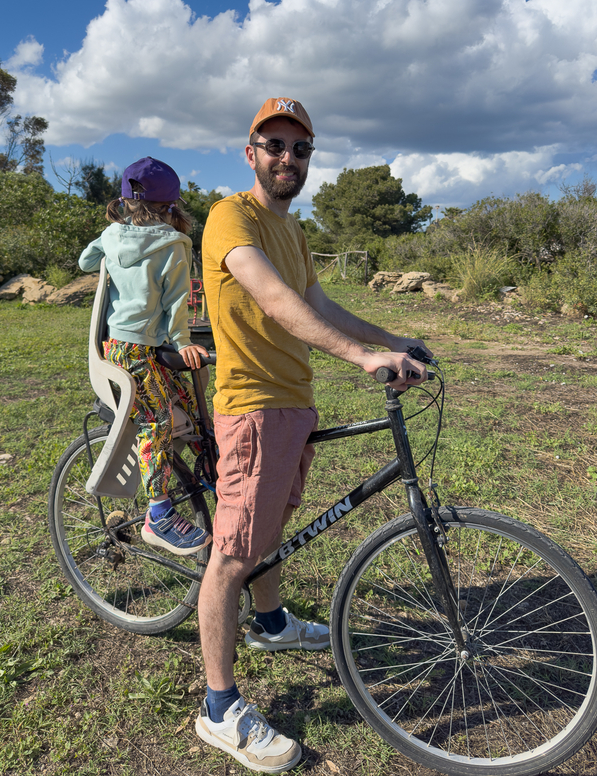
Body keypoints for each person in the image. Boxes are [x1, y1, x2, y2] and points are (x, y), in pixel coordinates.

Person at [195, 98, 432, 771]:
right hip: (252, 406)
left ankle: (270, 623)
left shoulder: (293, 232)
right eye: (274, 145)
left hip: (294, 403)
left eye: (300, 149)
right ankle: (218, 708)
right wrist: (360, 358)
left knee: (271, 526)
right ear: (250, 153)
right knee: (233, 555)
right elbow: (274, 299)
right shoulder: (230, 218)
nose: (287, 158)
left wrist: (391, 340)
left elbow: (318, 303)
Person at [78, 156, 212, 556]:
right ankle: (158, 514)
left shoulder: (111, 234)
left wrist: (110, 248)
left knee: (186, 399)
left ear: (125, 201)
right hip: (143, 349)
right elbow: (176, 302)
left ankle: (210, 468)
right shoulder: (174, 245)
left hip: (116, 348)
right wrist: (182, 340)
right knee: (159, 421)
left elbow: (86, 262)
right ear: (171, 205)